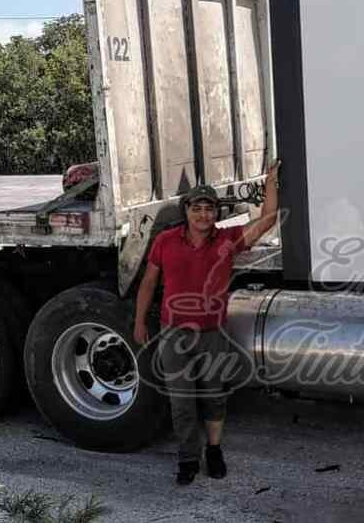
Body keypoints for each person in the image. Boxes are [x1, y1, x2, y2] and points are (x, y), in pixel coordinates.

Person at [133, 161, 281, 485]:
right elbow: (148, 282)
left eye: (209, 209)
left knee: (215, 397)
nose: (203, 215)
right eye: (197, 208)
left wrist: (271, 183)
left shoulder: (226, 240)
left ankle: (214, 451)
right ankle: (188, 458)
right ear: (186, 211)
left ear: (217, 213)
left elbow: (268, 220)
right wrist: (139, 321)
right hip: (174, 334)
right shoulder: (165, 241)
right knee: (181, 402)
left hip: (212, 334)